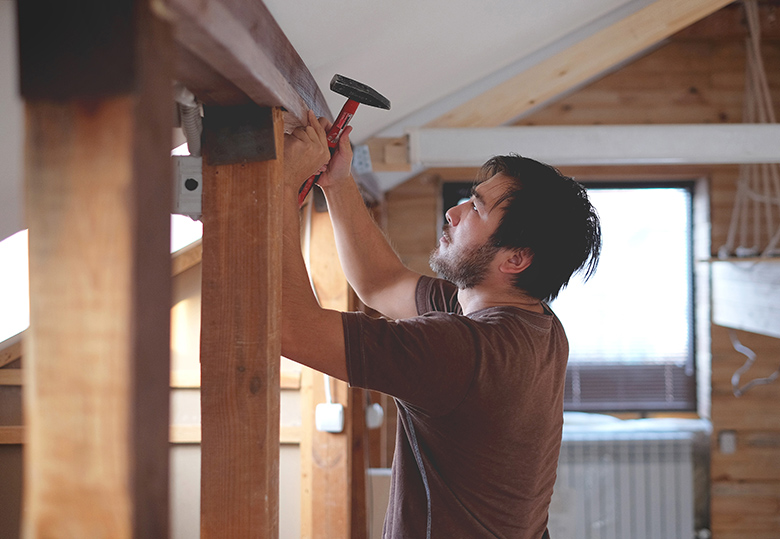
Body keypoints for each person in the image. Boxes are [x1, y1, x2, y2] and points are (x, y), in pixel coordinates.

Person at [281, 111, 601, 539]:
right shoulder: (534, 326)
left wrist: (281, 186)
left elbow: (288, 326)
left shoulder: (461, 349)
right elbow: (381, 283)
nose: (453, 212)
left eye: (476, 209)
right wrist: (337, 183)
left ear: (515, 259)